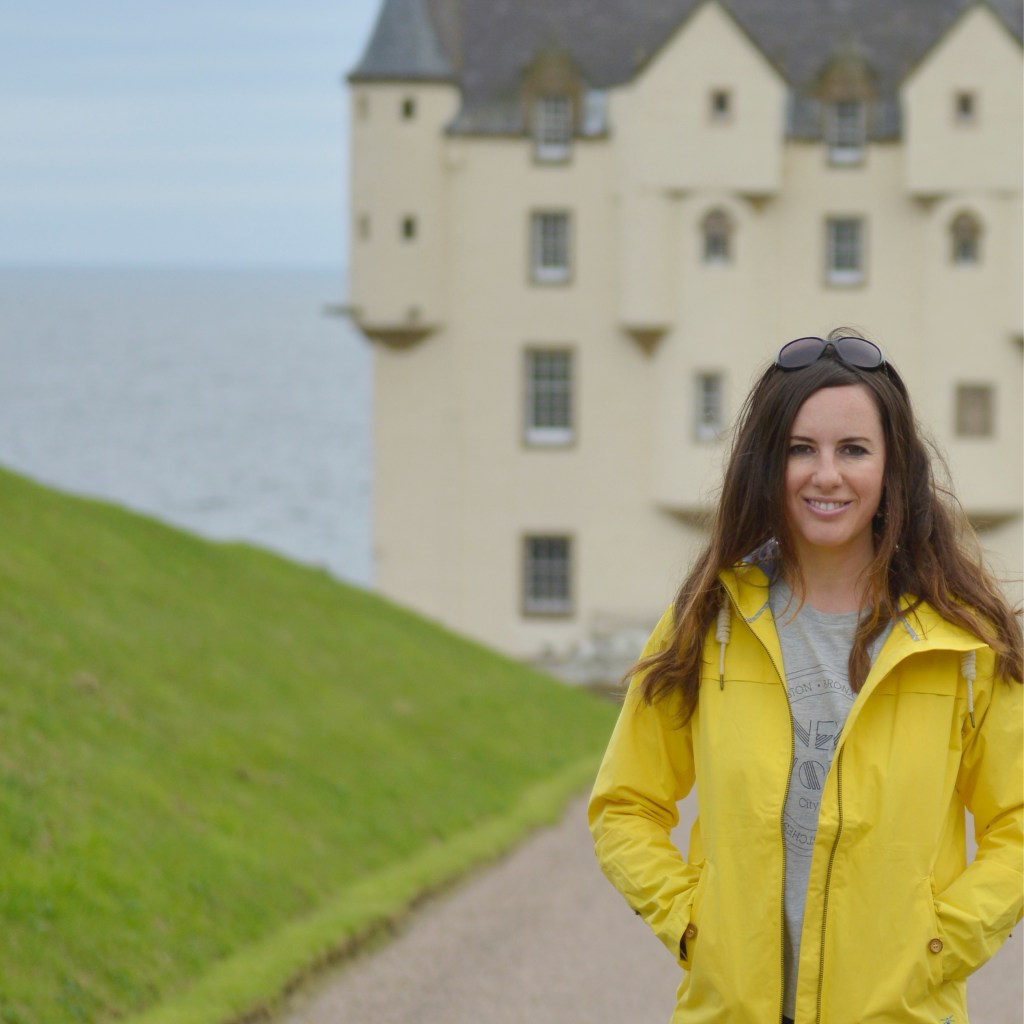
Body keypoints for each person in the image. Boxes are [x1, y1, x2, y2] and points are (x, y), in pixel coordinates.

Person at [588, 331, 1023, 1024]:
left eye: (853, 450)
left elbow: (1017, 822)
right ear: (769, 464)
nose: (827, 475)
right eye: (801, 449)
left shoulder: (964, 642)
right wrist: (690, 925)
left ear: (893, 469)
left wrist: (943, 944)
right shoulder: (708, 620)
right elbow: (625, 805)